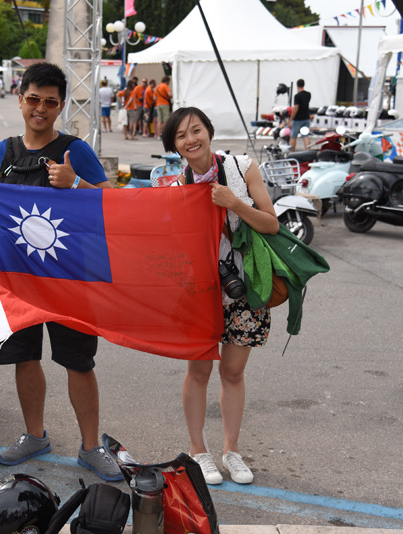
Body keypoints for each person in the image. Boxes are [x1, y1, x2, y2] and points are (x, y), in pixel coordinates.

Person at [0, 62, 120, 482]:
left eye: (50, 102)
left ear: (60, 106)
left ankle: (91, 446)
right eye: (33, 99)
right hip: (17, 279)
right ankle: (35, 435)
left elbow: (111, 203)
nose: (41, 109)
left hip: (69, 277)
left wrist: (75, 183)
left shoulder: (75, 150)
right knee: (24, 358)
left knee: (78, 363)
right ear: (20, 99)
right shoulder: (4, 152)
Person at [161, 107, 279, 485]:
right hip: (202, 292)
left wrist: (234, 204)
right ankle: (199, 451)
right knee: (199, 370)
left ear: (209, 133)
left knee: (232, 371)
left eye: (196, 130)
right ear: (174, 146)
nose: (190, 139)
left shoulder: (243, 167)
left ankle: (232, 451)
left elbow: (271, 223)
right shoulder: (177, 188)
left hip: (247, 288)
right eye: (181, 136)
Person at [289, 79, 311, 150]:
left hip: (298, 119)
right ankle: (308, 150)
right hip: (306, 118)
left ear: (297, 85)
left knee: (293, 136)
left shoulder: (297, 96)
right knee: (305, 135)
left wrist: (291, 119)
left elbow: (296, 108)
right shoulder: (308, 94)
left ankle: (291, 152)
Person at [154, 75, 172, 140]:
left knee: (159, 121)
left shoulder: (157, 87)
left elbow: (154, 98)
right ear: (167, 81)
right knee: (165, 120)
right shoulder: (165, 86)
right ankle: (162, 133)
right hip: (165, 104)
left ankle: (158, 136)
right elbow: (170, 94)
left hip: (158, 104)